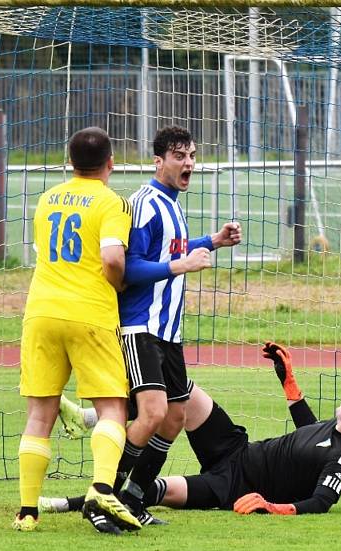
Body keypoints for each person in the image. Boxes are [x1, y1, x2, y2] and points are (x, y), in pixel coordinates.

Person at [61, 125, 242, 526]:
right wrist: (181, 265)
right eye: (179, 156)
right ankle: (101, 497)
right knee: (152, 413)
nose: (189, 163)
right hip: (138, 326)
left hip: (168, 331)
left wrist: (211, 241)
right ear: (158, 161)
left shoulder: (173, 204)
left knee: (175, 417)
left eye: (192, 155)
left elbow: (172, 250)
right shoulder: (143, 203)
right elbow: (129, 266)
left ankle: (135, 498)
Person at [41, 343, 341, 517]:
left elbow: (321, 502)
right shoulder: (336, 431)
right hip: (235, 449)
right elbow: (308, 432)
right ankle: (89, 419)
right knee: (182, 392)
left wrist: (272, 507)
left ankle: (67, 504)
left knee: (152, 491)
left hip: (232, 489)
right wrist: (288, 379)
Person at [14, 127, 141, 535]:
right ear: (110, 162)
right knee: (112, 409)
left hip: (40, 312)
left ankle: (27, 511)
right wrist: (121, 284)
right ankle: (102, 488)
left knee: (40, 413)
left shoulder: (46, 198)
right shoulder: (112, 202)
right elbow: (111, 259)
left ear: (70, 162)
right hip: (89, 313)